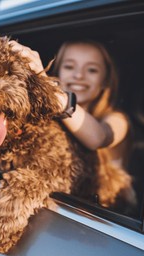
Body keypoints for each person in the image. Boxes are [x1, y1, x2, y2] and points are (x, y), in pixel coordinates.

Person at [11, 40, 137, 209]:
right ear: (58, 73)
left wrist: (51, 91)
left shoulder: (117, 119)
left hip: (106, 215)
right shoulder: (45, 121)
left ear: (106, 81)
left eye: (92, 70)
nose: (79, 76)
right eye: (69, 67)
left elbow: (98, 138)